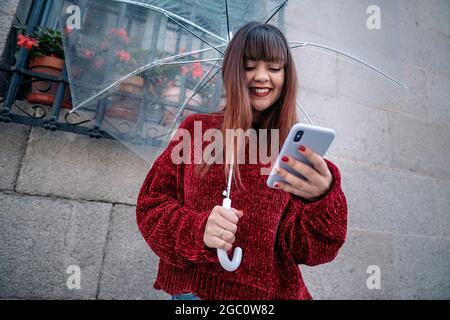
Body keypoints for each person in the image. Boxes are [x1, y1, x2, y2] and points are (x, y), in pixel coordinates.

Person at [136, 21, 347, 300]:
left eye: (274, 68)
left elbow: (311, 250)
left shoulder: (291, 151)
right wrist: (198, 230)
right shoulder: (195, 131)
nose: (262, 77)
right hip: (195, 293)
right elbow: (151, 206)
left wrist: (320, 200)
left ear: (287, 76)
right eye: (249, 67)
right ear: (233, 72)